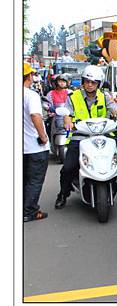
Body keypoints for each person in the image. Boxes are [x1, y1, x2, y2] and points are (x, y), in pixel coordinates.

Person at [55, 65, 117, 209]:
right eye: (87, 81)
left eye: (93, 82)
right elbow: (67, 114)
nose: (89, 84)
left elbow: (114, 109)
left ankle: (111, 174)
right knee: (68, 167)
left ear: (98, 84)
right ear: (83, 81)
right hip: (80, 136)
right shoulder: (73, 97)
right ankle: (63, 194)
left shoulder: (104, 96)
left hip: (103, 134)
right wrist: (67, 121)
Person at [23, 63, 50, 222]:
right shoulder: (30, 95)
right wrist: (43, 137)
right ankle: (29, 211)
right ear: (28, 77)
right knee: (34, 180)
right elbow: (35, 115)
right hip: (35, 147)